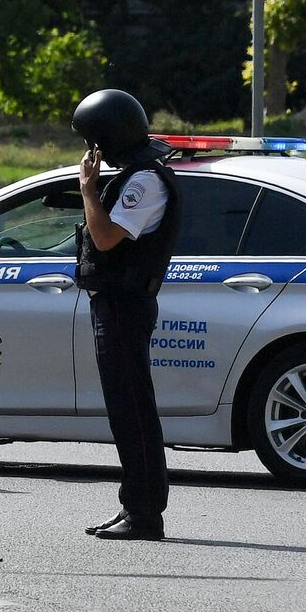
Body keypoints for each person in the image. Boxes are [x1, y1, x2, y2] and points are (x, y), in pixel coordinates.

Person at [72, 89, 182, 541]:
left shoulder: (144, 182)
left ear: (107, 138)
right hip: (115, 303)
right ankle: (134, 507)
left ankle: (143, 513)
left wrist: (87, 189)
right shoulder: (135, 176)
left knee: (133, 409)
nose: (89, 151)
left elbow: (105, 238)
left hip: (124, 304)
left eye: (92, 140)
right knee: (126, 409)